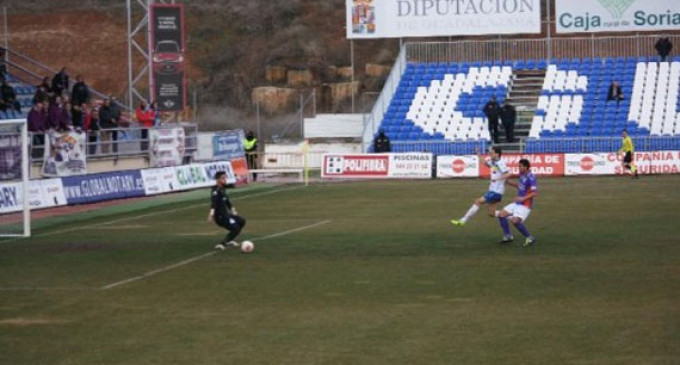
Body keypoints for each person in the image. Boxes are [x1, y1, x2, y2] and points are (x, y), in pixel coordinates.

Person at [451, 146, 511, 227]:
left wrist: (498, 178)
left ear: (497, 154)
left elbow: (508, 173)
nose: (490, 154)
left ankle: (463, 220)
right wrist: (477, 153)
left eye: (492, 153)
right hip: (495, 191)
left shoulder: (500, 163)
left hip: (496, 191)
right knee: (491, 213)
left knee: (478, 201)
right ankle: (512, 216)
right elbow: (485, 163)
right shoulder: (493, 161)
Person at [496, 158, 537, 247]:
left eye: (520, 166)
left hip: (525, 205)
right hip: (517, 203)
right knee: (501, 214)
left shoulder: (531, 177)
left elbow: (534, 193)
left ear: (525, 167)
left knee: (515, 221)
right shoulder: (522, 175)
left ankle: (530, 237)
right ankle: (508, 236)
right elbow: (520, 186)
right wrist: (509, 183)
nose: (518, 168)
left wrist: (523, 198)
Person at [208, 171, 247, 250]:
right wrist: (211, 214)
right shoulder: (215, 190)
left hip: (226, 214)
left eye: (225, 178)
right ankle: (222, 243)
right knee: (235, 228)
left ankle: (229, 240)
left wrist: (233, 210)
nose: (225, 180)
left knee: (242, 221)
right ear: (217, 180)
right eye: (223, 178)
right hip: (220, 216)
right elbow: (214, 203)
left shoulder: (222, 188)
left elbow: (227, 200)